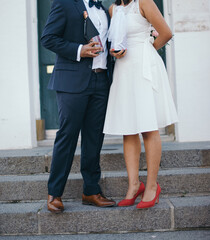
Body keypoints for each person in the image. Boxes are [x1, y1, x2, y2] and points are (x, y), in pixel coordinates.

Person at [41, 0, 116, 213]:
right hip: (72, 81)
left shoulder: (103, 8)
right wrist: (79, 50)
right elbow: (48, 38)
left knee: (94, 137)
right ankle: (54, 193)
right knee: (68, 136)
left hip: (101, 81)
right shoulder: (64, 3)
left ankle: (91, 190)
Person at [103, 0, 178, 209]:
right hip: (124, 69)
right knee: (129, 129)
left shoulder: (144, 2)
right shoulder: (113, 9)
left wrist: (147, 49)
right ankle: (134, 185)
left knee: (148, 126)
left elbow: (165, 33)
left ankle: (152, 186)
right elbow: (116, 37)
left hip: (145, 66)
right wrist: (115, 50)